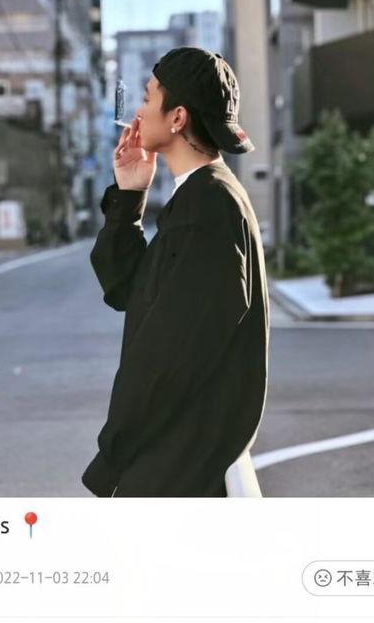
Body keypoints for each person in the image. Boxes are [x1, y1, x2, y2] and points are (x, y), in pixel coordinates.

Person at [82, 47, 269, 497]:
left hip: (183, 459)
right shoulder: (199, 197)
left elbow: (169, 355)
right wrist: (130, 195)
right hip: (179, 450)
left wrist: (114, 452)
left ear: (178, 117)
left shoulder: (208, 207)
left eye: (148, 98)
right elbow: (125, 289)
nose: (138, 112)